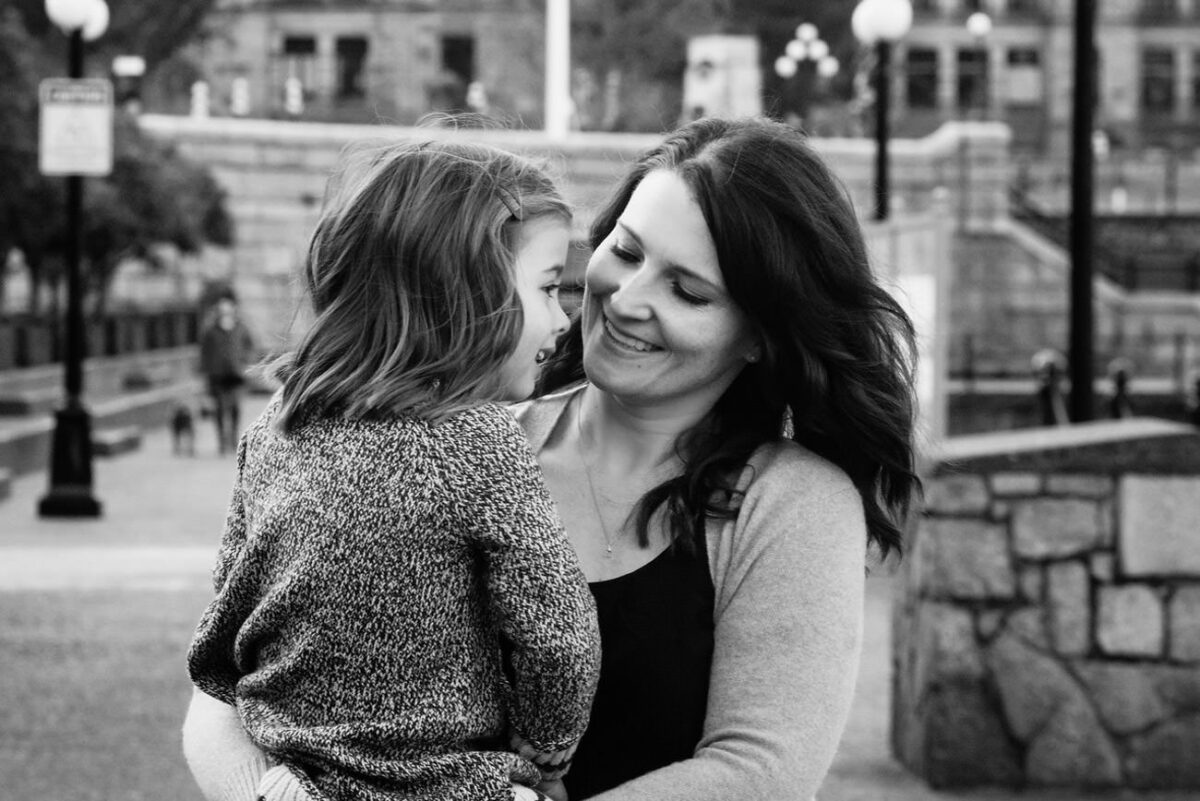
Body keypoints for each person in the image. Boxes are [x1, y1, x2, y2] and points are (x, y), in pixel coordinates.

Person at [183, 116, 920, 801]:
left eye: (687, 290)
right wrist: (265, 791)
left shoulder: (790, 502)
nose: (627, 298)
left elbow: (760, 769)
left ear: (761, 333)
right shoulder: (448, 441)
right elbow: (229, 688)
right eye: (626, 251)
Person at [185, 140, 601, 801]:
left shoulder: (276, 425)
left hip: (292, 777)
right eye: (550, 288)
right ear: (465, 291)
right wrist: (547, 745)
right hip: (455, 784)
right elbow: (558, 637)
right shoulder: (482, 439)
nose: (562, 317)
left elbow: (230, 611)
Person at [198, 294, 256, 454]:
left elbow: (250, 346)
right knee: (219, 408)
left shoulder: (241, 327)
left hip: (236, 374)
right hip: (217, 374)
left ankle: (233, 437)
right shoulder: (210, 330)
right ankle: (222, 439)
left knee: (235, 406)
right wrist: (205, 374)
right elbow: (204, 353)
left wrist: (246, 362)